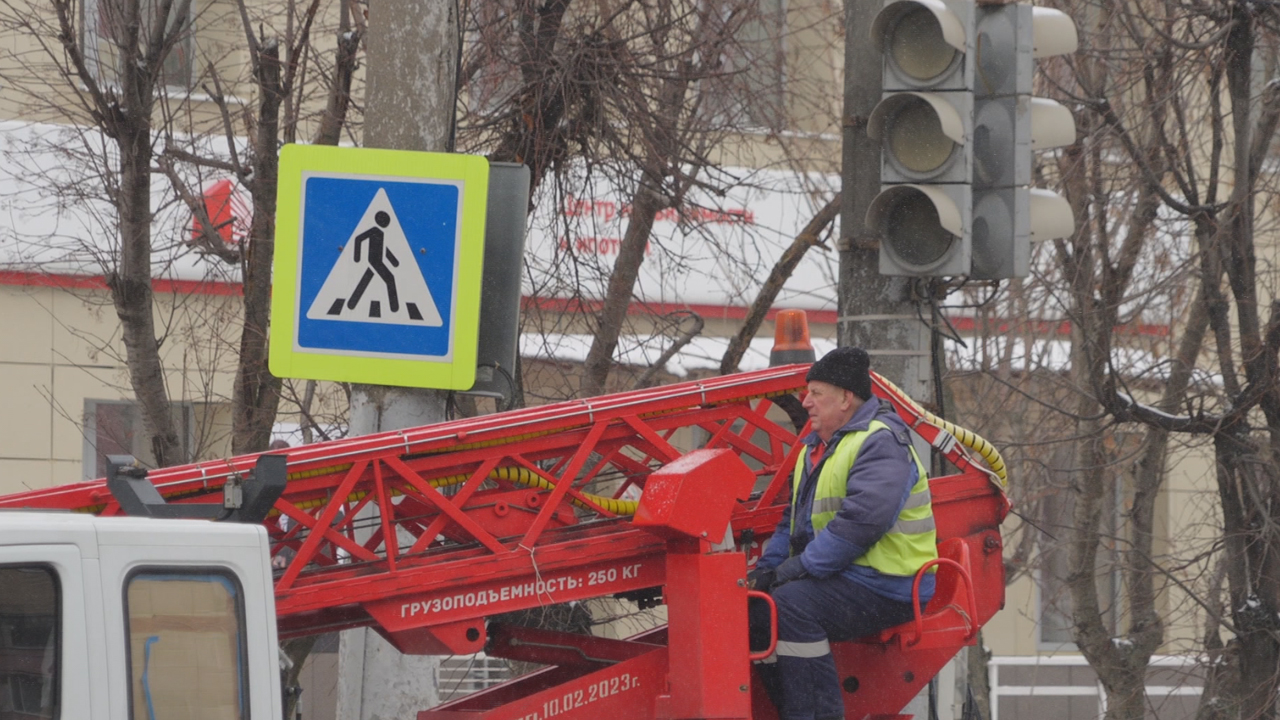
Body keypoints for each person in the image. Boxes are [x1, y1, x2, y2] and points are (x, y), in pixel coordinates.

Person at [747, 346, 937, 720]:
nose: (806, 402)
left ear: (847, 398)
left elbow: (861, 524)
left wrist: (793, 570)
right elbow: (793, 521)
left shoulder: (879, 440)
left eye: (816, 393)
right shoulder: (815, 449)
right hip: (849, 577)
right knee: (755, 606)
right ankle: (789, 709)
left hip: (890, 584)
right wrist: (766, 571)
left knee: (791, 605)